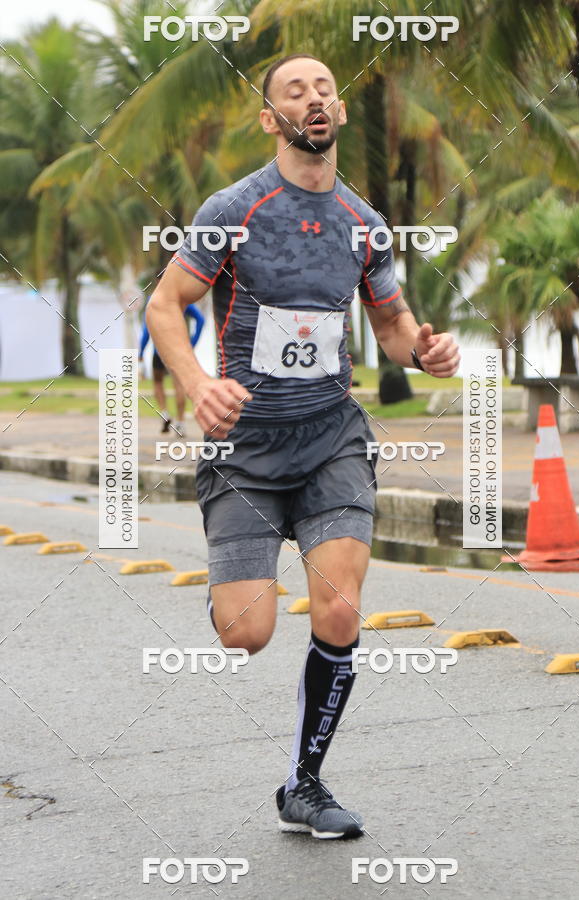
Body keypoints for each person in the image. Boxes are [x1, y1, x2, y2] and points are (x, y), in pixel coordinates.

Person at [147, 54, 460, 839]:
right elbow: (165, 302)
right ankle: (232, 580)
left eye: (324, 90)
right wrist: (196, 386)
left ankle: (305, 785)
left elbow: (388, 326)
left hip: (332, 440)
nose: (313, 99)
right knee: (246, 632)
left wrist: (420, 349)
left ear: (339, 115)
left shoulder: (363, 223)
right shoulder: (236, 207)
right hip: (245, 451)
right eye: (295, 91)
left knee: (342, 607)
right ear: (270, 119)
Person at [139, 301, 204, 436]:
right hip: (177, 350)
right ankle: (180, 424)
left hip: (159, 350)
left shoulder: (154, 298)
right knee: (179, 385)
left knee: (158, 383)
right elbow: (200, 319)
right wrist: (192, 343)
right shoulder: (180, 296)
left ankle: (164, 413)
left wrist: (141, 352)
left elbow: (147, 328)